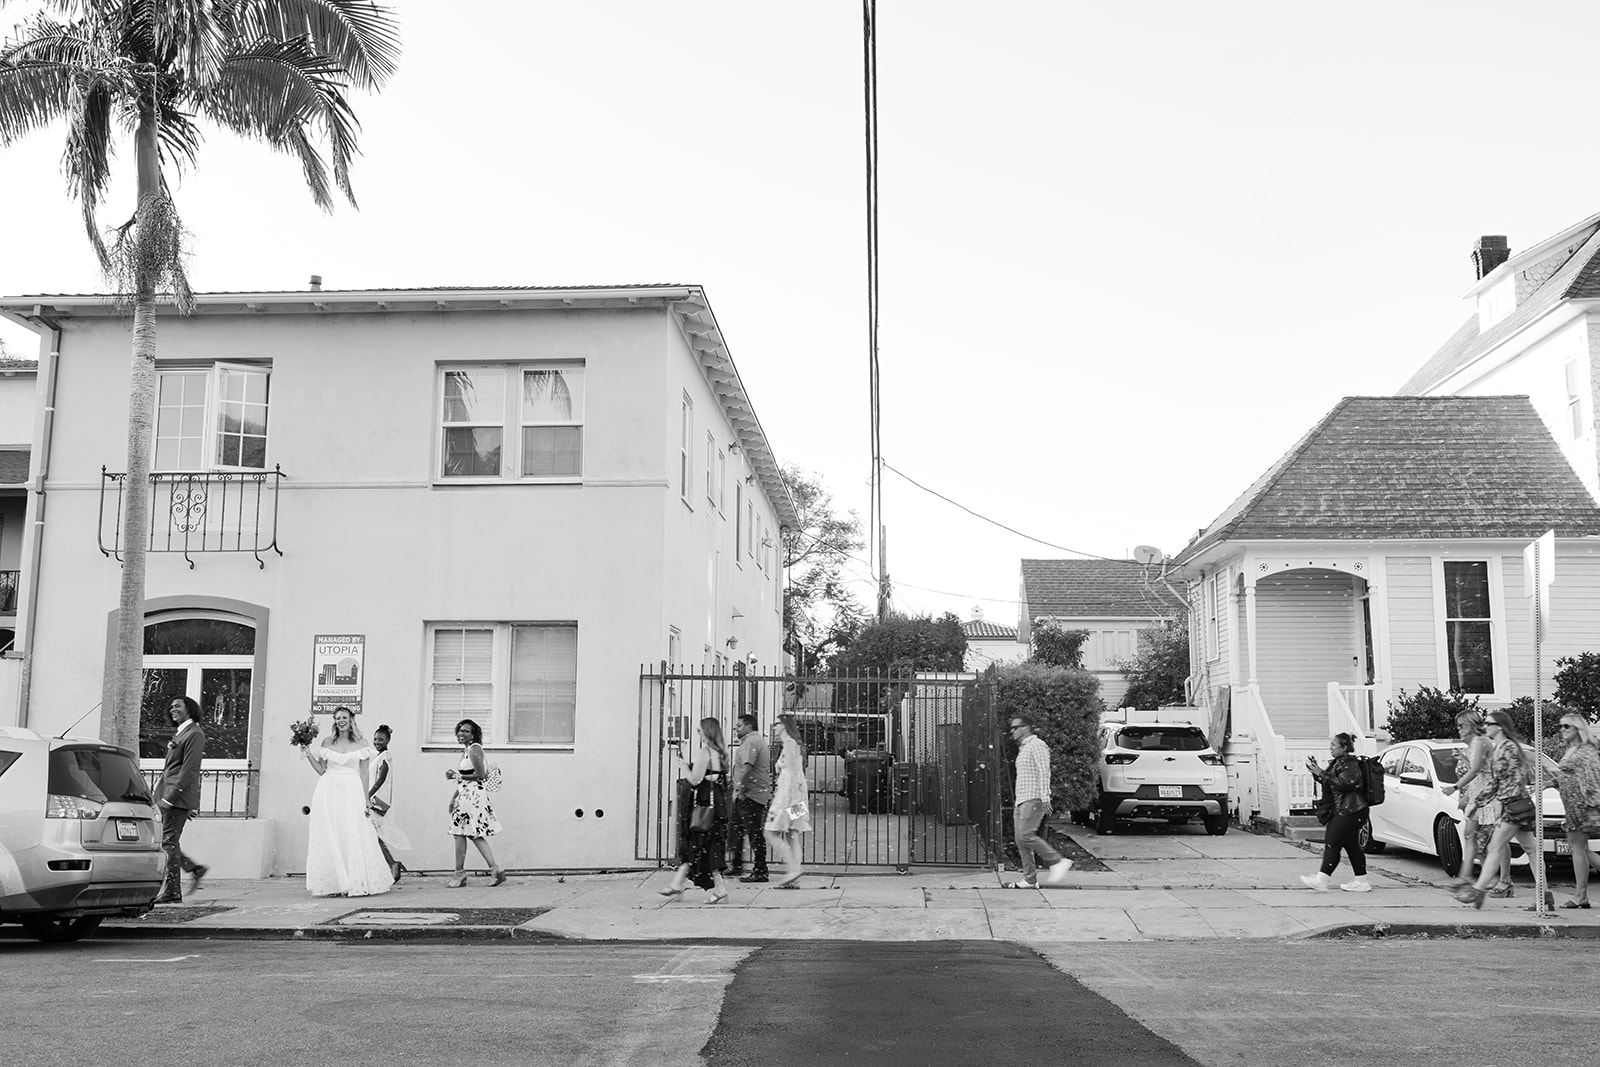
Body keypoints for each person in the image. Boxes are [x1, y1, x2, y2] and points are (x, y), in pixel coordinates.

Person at [1456, 709, 1550, 909]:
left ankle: (1478, 890)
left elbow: (1508, 780)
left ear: (1500, 727)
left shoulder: (1507, 748)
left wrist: (1480, 801)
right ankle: (1545, 895)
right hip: (1518, 804)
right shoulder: (1501, 747)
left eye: (1489, 724)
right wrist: (1480, 800)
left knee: (1495, 847)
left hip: (1513, 805)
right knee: (1531, 849)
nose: (1485, 727)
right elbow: (1500, 780)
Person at [301, 707, 393, 898]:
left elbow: (365, 772)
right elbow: (321, 770)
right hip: (328, 790)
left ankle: (353, 880)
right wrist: (308, 752)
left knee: (352, 831)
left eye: (344, 717)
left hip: (351, 790)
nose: (341, 721)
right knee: (331, 832)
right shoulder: (327, 742)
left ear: (351, 719)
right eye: (337, 718)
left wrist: (366, 798)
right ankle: (335, 881)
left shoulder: (362, 743)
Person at [658, 717, 732, 903]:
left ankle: (680, 884)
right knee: (708, 847)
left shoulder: (705, 752)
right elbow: (719, 778)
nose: (697, 733)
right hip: (718, 807)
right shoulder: (722, 753)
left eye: (699, 731)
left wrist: (684, 767)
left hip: (704, 805)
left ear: (707, 732)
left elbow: (695, 780)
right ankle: (680, 883)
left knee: (694, 845)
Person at [1006, 714, 1073, 889]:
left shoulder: (1038, 745)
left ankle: (1058, 862)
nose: (1012, 731)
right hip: (1021, 800)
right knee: (1021, 840)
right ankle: (1030, 879)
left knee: (1026, 835)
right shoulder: (1024, 748)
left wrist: (1045, 797)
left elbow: (1045, 771)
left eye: (1015, 727)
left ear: (1025, 728)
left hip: (1033, 798)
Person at [153, 696, 208, 904]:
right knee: (167, 840)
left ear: (189, 709)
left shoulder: (194, 733)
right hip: (170, 794)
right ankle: (193, 868)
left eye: (178, 706)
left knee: (167, 841)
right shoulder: (182, 732)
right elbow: (172, 769)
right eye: (171, 706)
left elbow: (189, 769)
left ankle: (172, 890)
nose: (172, 708)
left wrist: (172, 798)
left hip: (174, 797)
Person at [1300, 732, 1371, 892]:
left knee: (1332, 843)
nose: (1330, 747)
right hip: (1348, 810)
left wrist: (1322, 774)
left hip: (1351, 810)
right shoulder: (1339, 763)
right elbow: (1331, 783)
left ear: (1344, 747)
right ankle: (1361, 881)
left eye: (1333, 744)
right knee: (1351, 846)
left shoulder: (1350, 764)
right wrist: (1316, 771)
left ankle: (1322, 879)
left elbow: (1346, 784)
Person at [1440, 709, 1502, 890]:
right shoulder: (1474, 744)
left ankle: (1494, 877)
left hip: (1487, 797)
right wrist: (1467, 796)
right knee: (1470, 836)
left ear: (1472, 725)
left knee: (1484, 840)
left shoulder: (1481, 742)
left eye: (1462, 725)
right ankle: (1470, 875)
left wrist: (1455, 787)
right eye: (1458, 726)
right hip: (1477, 796)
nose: (1459, 729)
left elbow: (1476, 771)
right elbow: (1477, 770)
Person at [444, 718, 504, 888]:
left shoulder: (475, 749)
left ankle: (461, 873)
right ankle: (494, 869)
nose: (461, 733)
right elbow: (466, 779)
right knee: (470, 833)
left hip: (473, 797)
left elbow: (481, 775)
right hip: (467, 795)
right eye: (460, 730)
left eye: (466, 731)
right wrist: (454, 796)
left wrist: (456, 775)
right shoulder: (468, 750)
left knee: (463, 833)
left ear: (473, 735)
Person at [1552, 712, 1600, 908]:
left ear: (1578, 728)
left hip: (1583, 807)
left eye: (1566, 726)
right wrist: (1552, 782)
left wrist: (1592, 804)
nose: (1562, 730)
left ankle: (1581, 896)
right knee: (1579, 849)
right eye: (1561, 726)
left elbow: (1595, 779)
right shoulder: (1572, 749)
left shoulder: (1587, 751)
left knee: (1579, 849)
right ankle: (1581, 896)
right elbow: (1568, 776)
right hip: (1571, 806)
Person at [763, 712, 812, 888]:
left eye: (777, 724)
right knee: (793, 834)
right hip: (796, 795)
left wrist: (791, 801)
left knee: (771, 832)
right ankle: (794, 874)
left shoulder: (790, 744)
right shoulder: (790, 744)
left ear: (784, 725)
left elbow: (791, 771)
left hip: (789, 795)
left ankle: (793, 870)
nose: (774, 727)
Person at [728, 712, 772, 883]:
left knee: (754, 833)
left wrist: (741, 790)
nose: (736, 728)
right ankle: (737, 865)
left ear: (749, 726)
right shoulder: (752, 741)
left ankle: (761, 870)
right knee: (737, 830)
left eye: (739, 725)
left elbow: (747, 769)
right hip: (748, 793)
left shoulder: (752, 741)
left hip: (750, 794)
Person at [366, 724, 411, 882]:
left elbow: (381, 779)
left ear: (388, 740)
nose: (377, 741)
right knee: (373, 835)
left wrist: (367, 795)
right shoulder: (378, 756)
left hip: (375, 801)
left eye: (381, 739)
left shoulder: (385, 756)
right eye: (375, 739)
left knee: (373, 835)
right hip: (371, 799)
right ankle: (390, 864)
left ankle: (391, 863)